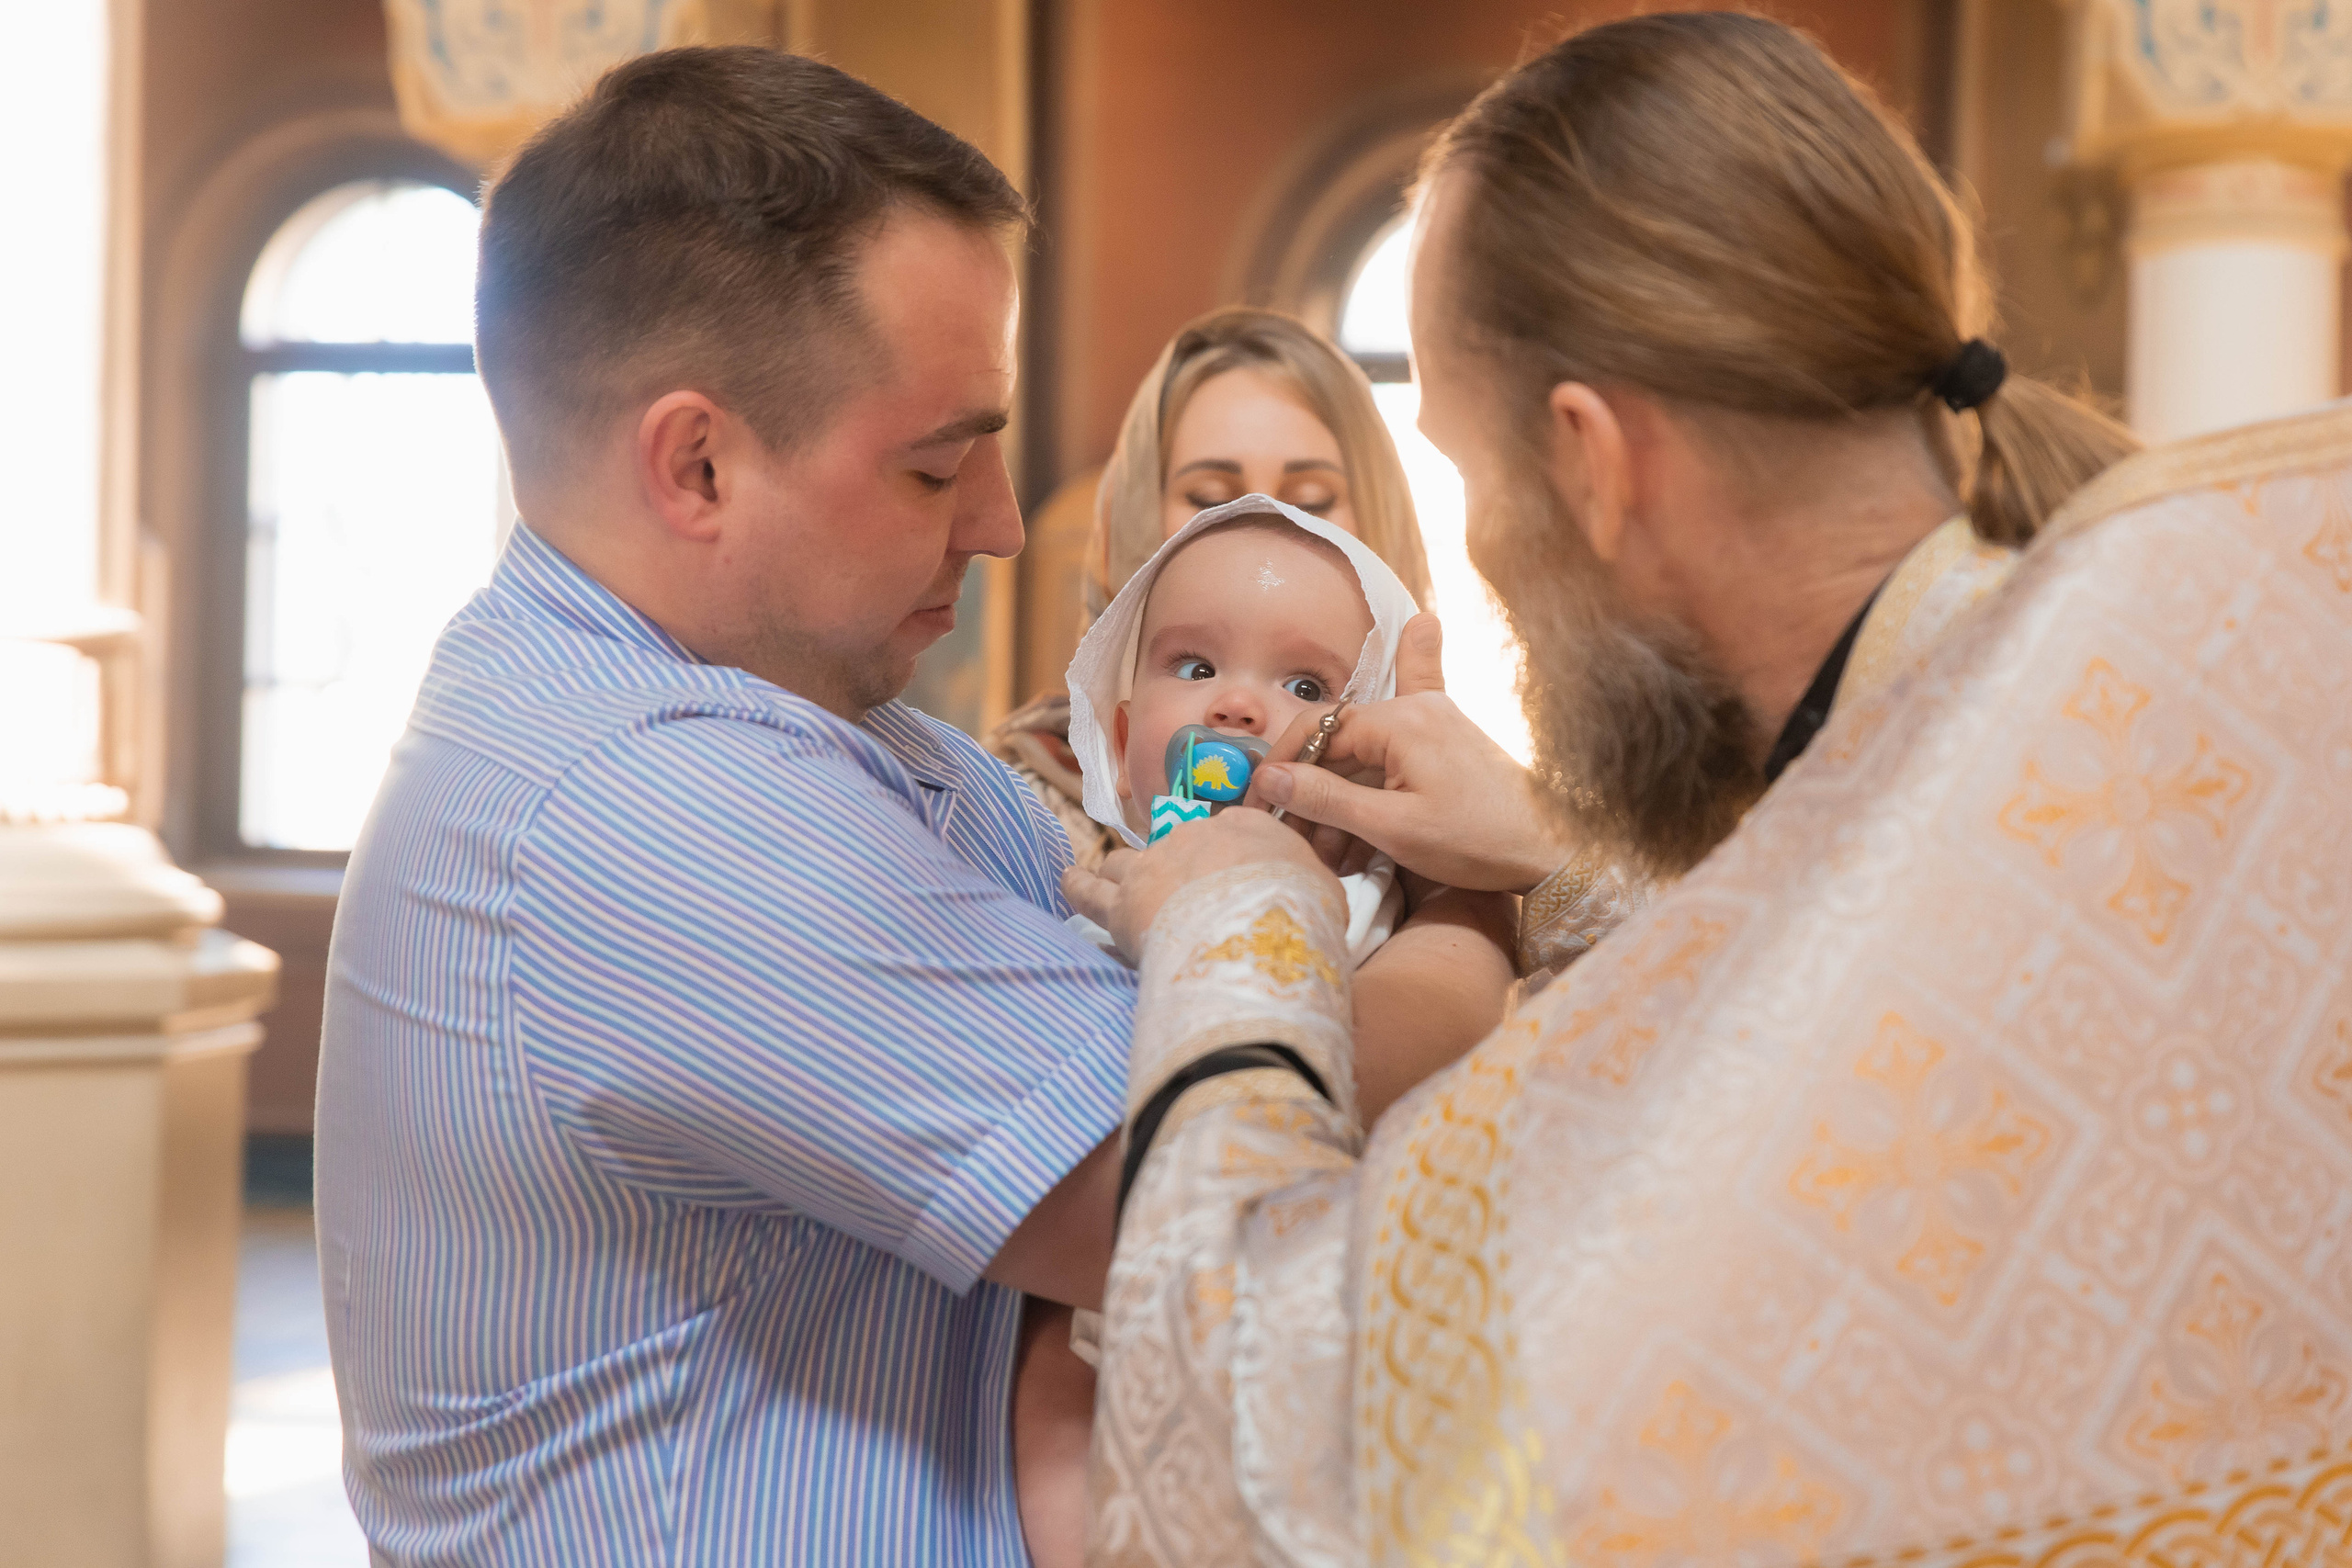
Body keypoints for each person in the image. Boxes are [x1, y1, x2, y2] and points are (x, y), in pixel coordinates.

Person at [1072, 14, 2352, 1566]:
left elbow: (1251, 1470)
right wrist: (1556, 852)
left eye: (1471, 478)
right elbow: (1838, 900)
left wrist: (1240, 931)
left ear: (1596, 464)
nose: (1476, 545)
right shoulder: (2208, 637)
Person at [315, 49, 1137, 1564]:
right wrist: (1490, 908)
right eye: (934, 463)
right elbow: (1237, 1198)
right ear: (697, 462)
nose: (1004, 524)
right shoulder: (647, 803)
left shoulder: (799, 722)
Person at [988, 309, 1431, 871]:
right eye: (1211, 497)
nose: (1265, 521)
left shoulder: (1435, 815)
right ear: (1137, 523)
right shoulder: (1016, 808)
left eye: (1314, 500)